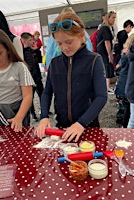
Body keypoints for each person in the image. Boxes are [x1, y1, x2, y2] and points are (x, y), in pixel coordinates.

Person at [34, 12, 107, 142]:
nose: (64, 47)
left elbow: (101, 97)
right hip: (62, 127)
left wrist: (81, 123)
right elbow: (47, 93)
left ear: (81, 35)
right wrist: (44, 116)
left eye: (69, 42)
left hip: (87, 127)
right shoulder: (55, 63)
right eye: (59, 43)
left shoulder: (95, 60)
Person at [114, 33, 134, 127]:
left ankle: (120, 121)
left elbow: (118, 68)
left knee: (122, 107)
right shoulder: (133, 56)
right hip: (126, 87)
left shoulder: (125, 53)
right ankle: (123, 125)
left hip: (120, 86)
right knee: (126, 109)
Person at [21, 32, 44, 122]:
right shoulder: (22, 52)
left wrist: (37, 51)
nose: (32, 42)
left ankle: (43, 111)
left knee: (42, 95)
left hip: (37, 77)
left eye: (32, 39)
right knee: (30, 98)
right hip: (29, 80)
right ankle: (33, 114)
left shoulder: (34, 50)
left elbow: (40, 61)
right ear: (24, 41)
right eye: (30, 40)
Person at [96, 11, 117, 94]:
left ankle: (106, 86)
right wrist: (109, 54)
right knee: (107, 66)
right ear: (108, 18)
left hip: (102, 51)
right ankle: (107, 87)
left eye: (115, 18)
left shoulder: (104, 27)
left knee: (105, 67)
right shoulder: (105, 28)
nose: (114, 20)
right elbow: (107, 42)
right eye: (113, 17)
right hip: (104, 51)